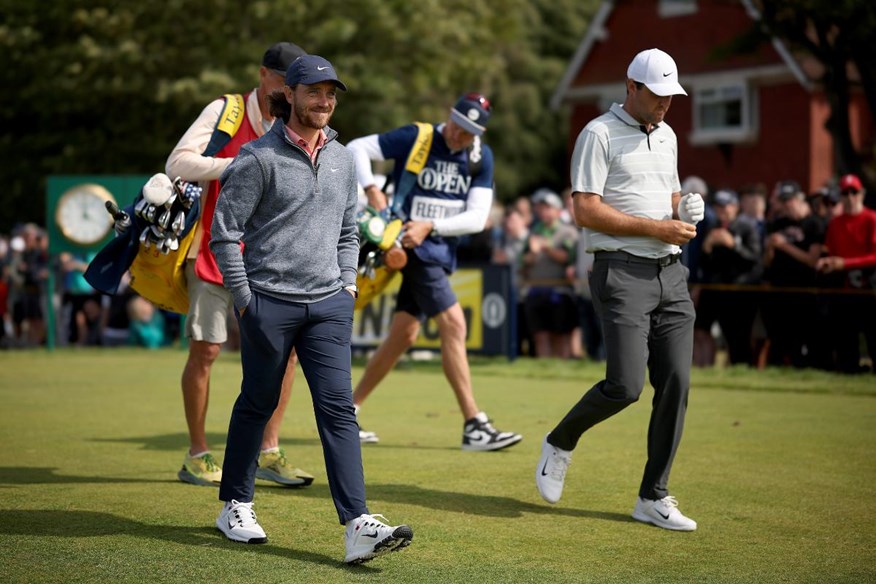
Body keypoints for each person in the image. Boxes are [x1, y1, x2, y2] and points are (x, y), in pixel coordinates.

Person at [210, 55, 413, 563]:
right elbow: (224, 234)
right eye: (315, 92)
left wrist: (346, 286)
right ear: (291, 94)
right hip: (268, 302)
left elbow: (349, 230)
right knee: (258, 402)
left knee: (338, 410)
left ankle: (357, 524)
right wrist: (246, 300)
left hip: (328, 303)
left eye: (331, 93)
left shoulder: (344, 158)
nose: (324, 101)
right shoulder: (256, 158)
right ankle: (235, 503)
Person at [535, 48, 703, 531]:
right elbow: (585, 210)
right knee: (626, 386)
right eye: (657, 95)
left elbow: (669, 194)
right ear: (631, 87)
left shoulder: (667, 134)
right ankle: (561, 440)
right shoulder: (598, 133)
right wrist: (656, 228)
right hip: (621, 271)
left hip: (671, 274)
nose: (666, 104)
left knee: (676, 383)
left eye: (672, 96)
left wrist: (685, 207)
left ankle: (653, 496)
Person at [166, 42, 313, 487]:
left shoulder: (299, 120)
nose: (289, 93)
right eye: (285, 83)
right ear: (264, 75)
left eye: (297, 87)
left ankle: (269, 451)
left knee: (284, 357)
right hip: (212, 252)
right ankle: (197, 454)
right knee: (206, 351)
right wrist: (239, 165)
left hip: (272, 261)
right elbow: (178, 163)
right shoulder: (226, 111)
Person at [347, 93, 523, 451]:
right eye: (459, 127)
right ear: (450, 116)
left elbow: (476, 218)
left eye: (470, 132)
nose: (460, 136)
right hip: (407, 248)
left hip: (435, 246)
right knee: (455, 324)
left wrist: (431, 226)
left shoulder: (480, 158)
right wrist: (372, 190)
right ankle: (474, 424)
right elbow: (356, 148)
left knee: (403, 336)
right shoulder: (418, 136)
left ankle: (346, 412)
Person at [816, 174, 876, 373]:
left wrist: (845, 263)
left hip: (869, 291)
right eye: (845, 193)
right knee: (846, 349)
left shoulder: (871, 219)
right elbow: (831, 252)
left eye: (854, 192)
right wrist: (828, 262)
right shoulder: (836, 224)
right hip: (844, 292)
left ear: (862, 193)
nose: (850, 197)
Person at [762, 180, 825, 368]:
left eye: (789, 200)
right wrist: (770, 249)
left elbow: (812, 260)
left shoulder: (814, 223)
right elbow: (766, 262)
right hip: (779, 290)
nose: (786, 205)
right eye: (783, 200)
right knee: (779, 340)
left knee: (805, 339)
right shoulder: (777, 223)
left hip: (804, 291)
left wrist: (784, 246)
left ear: (800, 199)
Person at [696, 189, 763, 366]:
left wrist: (733, 245)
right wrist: (707, 247)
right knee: (702, 329)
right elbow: (706, 264)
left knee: (738, 337)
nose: (722, 211)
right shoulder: (712, 226)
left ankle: (741, 370)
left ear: (735, 207)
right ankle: (707, 368)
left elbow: (755, 259)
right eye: (718, 207)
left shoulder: (747, 226)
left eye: (726, 206)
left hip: (740, 292)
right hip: (717, 290)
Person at [522, 188, 579, 359]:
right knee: (540, 335)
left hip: (559, 291)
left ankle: (561, 369)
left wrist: (546, 248)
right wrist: (532, 253)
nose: (542, 211)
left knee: (560, 335)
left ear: (557, 210)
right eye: (540, 208)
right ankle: (544, 367)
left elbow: (568, 258)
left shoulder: (567, 231)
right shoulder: (534, 231)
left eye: (546, 207)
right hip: (536, 289)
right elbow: (524, 259)